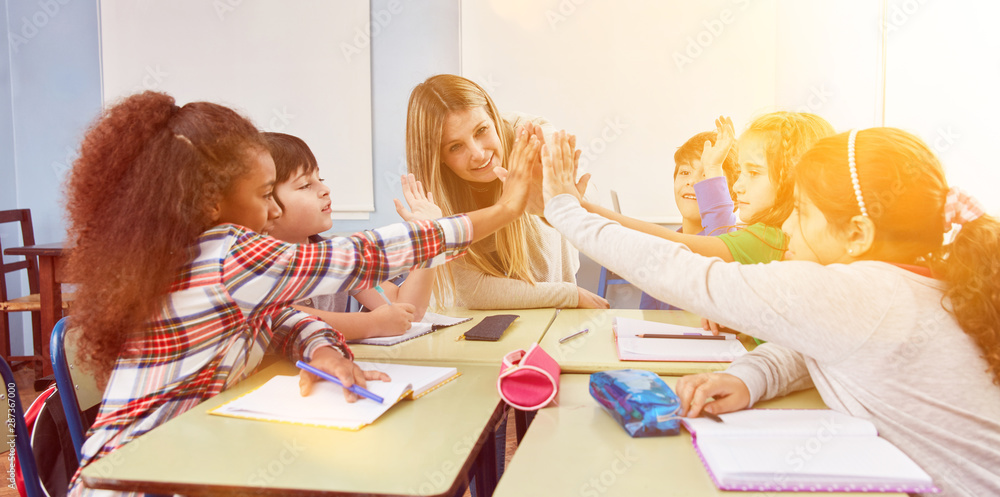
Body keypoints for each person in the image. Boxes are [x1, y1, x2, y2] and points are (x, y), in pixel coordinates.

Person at [64, 91, 538, 496]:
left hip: (186, 460)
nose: (273, 210)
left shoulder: (193, 257)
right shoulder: (228, 254)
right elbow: (365, 255)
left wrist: (325, 351)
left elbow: (281, 317)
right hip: (134, 479)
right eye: (265, 193)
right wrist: (506, 206)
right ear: (211, 201)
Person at [540, 128, 1000, 497]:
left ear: (858, 233)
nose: (785, 224)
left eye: (800, 210)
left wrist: (564, 207)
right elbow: (817, 349)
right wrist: (750, 377)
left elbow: (682, 272)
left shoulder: (862, 292)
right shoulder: (909, 289)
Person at [406, 74, 608, 309]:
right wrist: (570, 295)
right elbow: (474, 291)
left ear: (493, 115)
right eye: (455, 147)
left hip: (552, 318)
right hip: (482, 324)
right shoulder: (434, 198)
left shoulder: (532, 136)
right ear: (438, 157)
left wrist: (559, 191)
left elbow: (589, 201)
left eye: (481, 130)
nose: (478, 153)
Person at [576, 112, 834, 266]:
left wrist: (581, 208)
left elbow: (674, 244)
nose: (737, 185)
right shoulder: (771, 235)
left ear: (791, 180)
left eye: (753, 173)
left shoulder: (766, 239)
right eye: (742, 172)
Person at [262, 132, 435, 340]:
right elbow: (288, 320)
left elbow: (409, 312)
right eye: (305, 185)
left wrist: (429, 236)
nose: (325, 189)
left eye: (320, 179)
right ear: (263, 202)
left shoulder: (338, 255)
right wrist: (372, 324)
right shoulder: (253, 266)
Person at [640, 117, 740, 310]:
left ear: (733, 193)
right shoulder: (662, 245)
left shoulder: (728, 239)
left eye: (705, 175)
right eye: (685, 172)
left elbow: (720, 238)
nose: (692, 181)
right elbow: (647, 314)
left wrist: (714, 168)